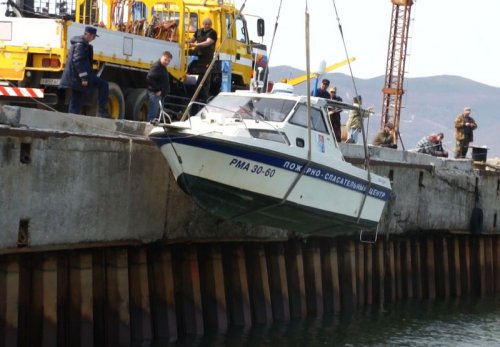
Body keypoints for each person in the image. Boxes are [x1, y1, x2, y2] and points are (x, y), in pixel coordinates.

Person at [59, 26, 110, 117]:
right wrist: (84, 77)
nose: (93, 39)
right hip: (78, 77)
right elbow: (77, 61)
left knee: (77, 99)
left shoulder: (81, 44)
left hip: (77, 77)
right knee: (103, 85)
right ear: (89, 35)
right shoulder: (80, 45)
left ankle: (73, 118)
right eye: (93, 37)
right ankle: (102, 111)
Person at [188, 18, 217, 100]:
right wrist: (188, 42)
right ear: (203, 24)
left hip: (207, 59)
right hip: (197, 57)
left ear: (211, 25)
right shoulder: (199, 31)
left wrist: (196, 45)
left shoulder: (213, 33)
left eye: (209, 24)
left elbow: (208, 42)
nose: (207, 25)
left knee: (205, 78)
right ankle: (194, 94)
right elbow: (192, 39)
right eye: (205, 24)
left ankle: (203, 97)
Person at [147, 51, 172, 122]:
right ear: (161, 57)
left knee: (157, 115)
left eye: (168, 61)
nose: (167, 62)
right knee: (153, 115)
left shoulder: (163, 67)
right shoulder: (157, 66)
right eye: (165, 59)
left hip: (160, 95)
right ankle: (149, 129)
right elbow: (149, 78)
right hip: (155, 95)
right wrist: (157, 90)